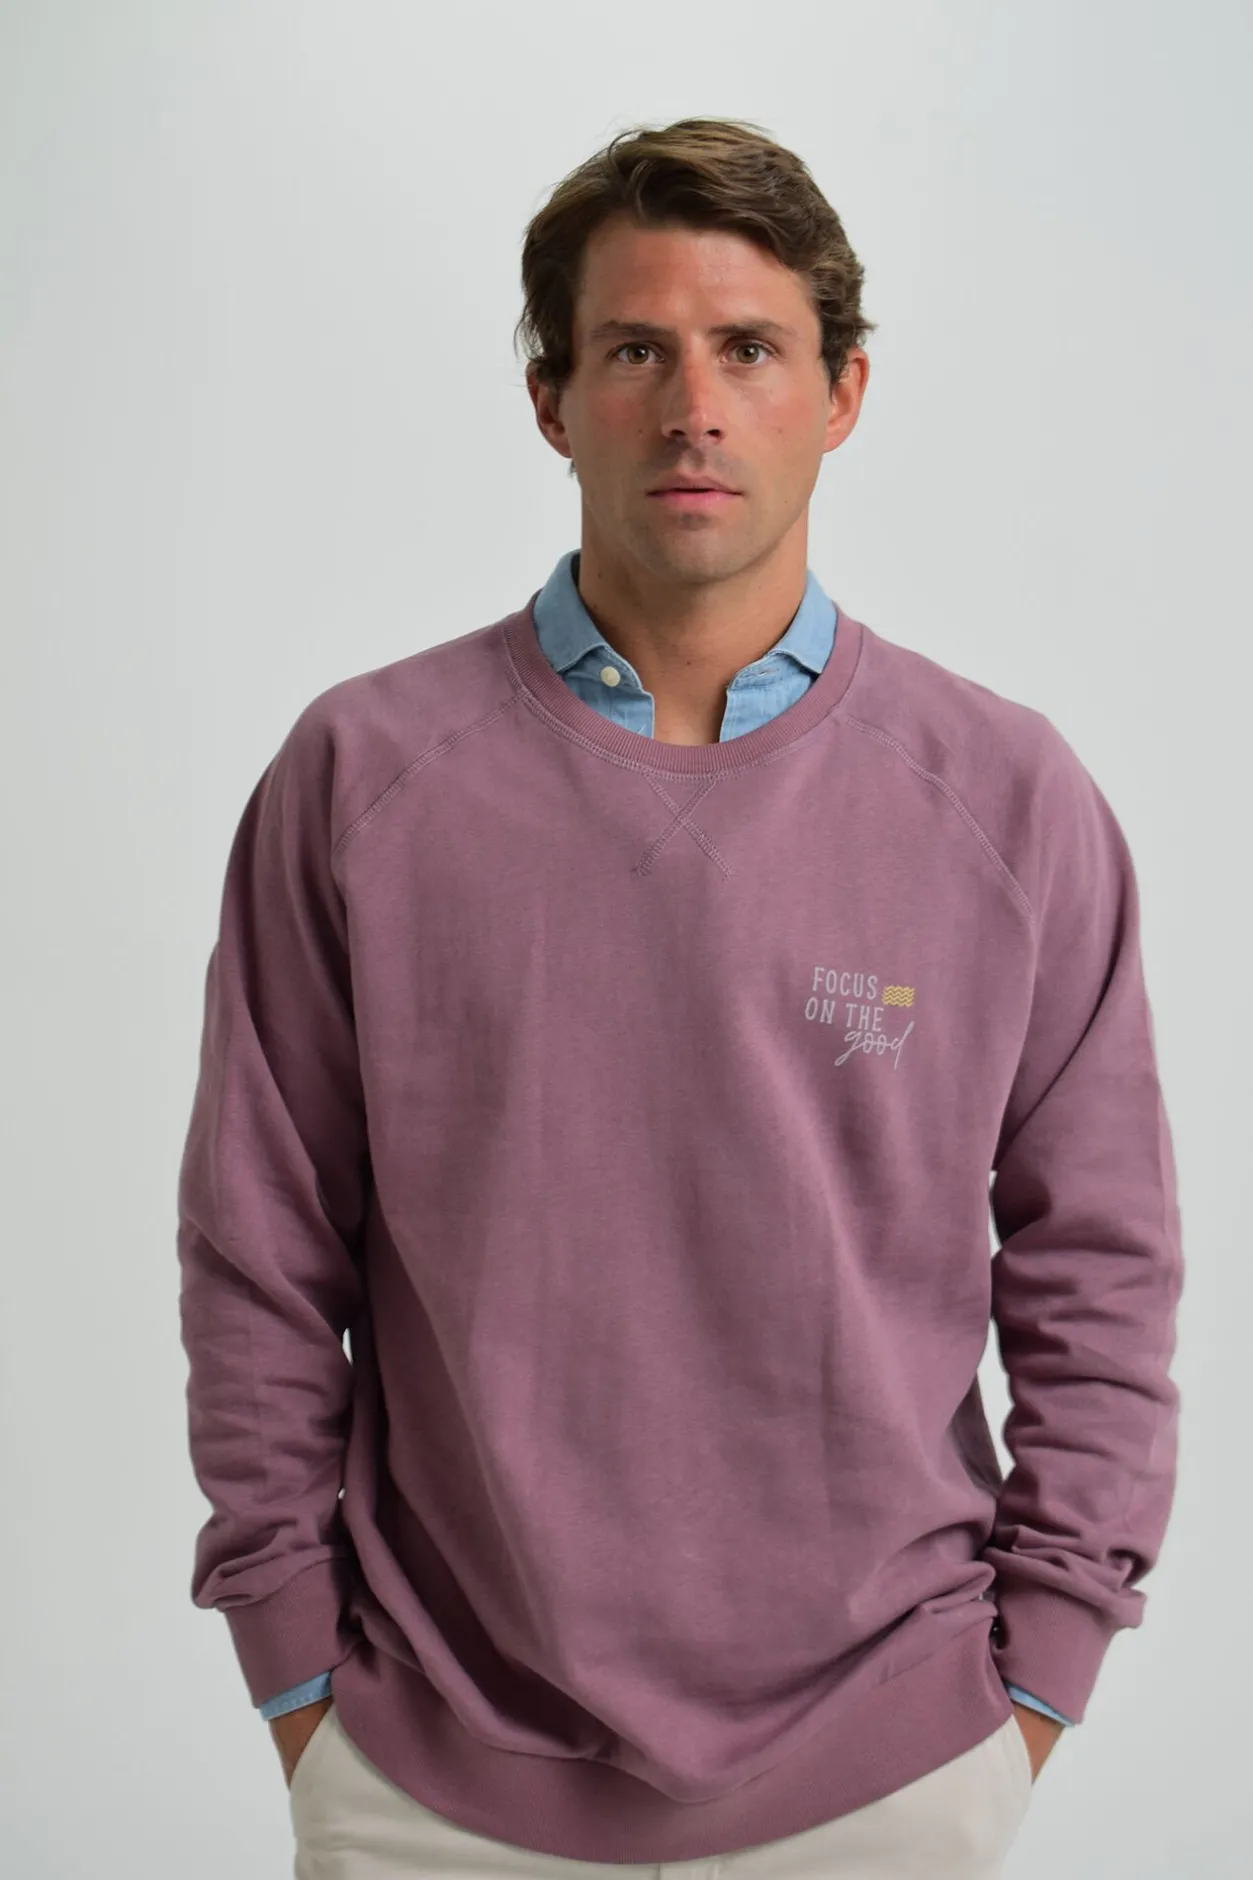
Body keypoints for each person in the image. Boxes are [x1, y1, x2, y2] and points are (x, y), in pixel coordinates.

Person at [176, 116, 1184, 1879]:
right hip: (428, 1772)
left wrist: (1036, 1687)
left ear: (842, 393)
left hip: (893, 1766)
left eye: (750, 350)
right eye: (636, 350)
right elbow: (259, 1251)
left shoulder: (1008, 802)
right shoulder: (361, 778)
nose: (694, 407)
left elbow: (1101, 1269)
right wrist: (296, 1680)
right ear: (552, 400)